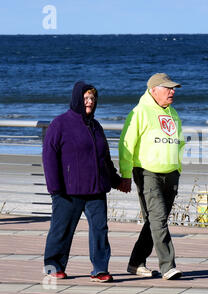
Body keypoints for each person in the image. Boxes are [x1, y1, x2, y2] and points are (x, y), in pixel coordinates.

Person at [42, 81, 122, 283]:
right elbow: (49, 157)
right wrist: (55, 188)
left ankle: (100, 269)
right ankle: (54, 267)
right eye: (86, 98)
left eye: (93, 99)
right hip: (68, 191)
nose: (89, 102)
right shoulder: (60, 124)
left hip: (96, 190)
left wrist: (116, 181)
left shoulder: (96, 126)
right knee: (61, 230)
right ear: (77, 99)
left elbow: (104, 158)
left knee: (100, 230)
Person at [118, 73, 185, 280]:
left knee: (155, 220)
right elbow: (126, 144)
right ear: (154, 90)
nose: (172, 91)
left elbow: (179, 141)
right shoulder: (140, 112)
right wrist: (126, 173)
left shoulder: (173, 113)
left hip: (171, 173)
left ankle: (136, 263)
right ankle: (168, 266)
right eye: (168, 88)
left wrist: (178, 168)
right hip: (147, 172)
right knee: (158, 219)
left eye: (173, 88)